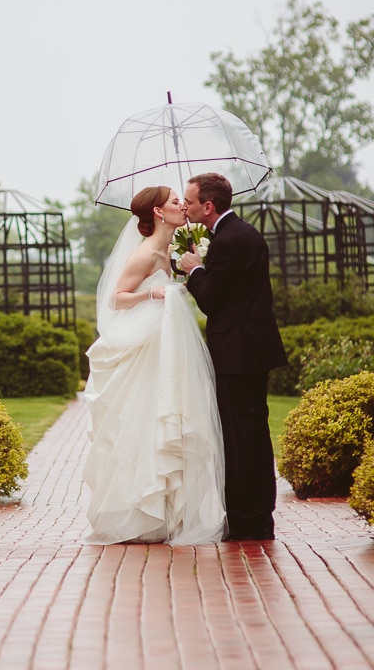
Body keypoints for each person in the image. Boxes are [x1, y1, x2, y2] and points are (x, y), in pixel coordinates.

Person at [81, 185, 226, 545]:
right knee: (145, 421)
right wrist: (153, 293)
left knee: (166, 417)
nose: (183, 207)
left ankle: (163, 514)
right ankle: (137, 514)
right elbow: (116, 298)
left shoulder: (170, 253)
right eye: (177, 202)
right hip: (146, 347)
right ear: (159, 212)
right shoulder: (144, 254)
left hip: (168, 346)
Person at [179, 172, 287, 541]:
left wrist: (194, 271)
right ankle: (259, 516)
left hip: (236, 354)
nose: (186, 207)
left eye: (190, 202)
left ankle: (244, 519)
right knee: (255, 434)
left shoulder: (226, 242)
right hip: (255, 349)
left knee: (238, 437)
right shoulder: (247, 233)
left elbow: (211, 300)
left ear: (208, 206)